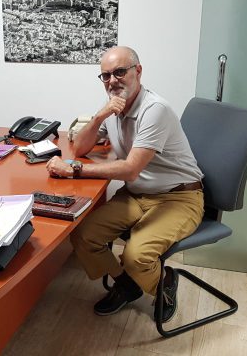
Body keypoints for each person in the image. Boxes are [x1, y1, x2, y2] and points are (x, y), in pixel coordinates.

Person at [45, 46, 204, 322]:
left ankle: (163, 283)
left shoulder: (155, 110)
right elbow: (80, 147)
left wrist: (74, 171)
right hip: (138, 194)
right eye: (105, 76)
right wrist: (100, 116)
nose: (112, 81)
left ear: (138, 71)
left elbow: (130, 169)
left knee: (136, 256)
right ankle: (127, 285)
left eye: (119, 72)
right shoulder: (116, 108)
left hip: (179, 197)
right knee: (83, 235)